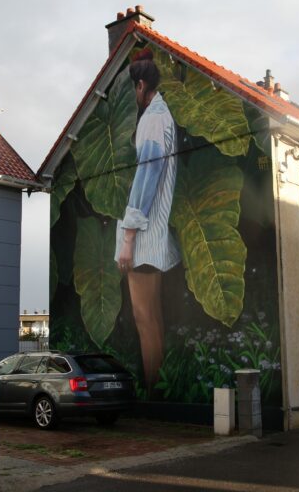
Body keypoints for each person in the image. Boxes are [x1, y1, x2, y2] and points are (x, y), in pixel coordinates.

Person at [114, 49, 180, 393]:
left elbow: (147, 178)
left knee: (144, 318)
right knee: (151, 317)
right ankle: (158, 386)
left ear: (141, 85)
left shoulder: (153, 119)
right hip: (153, 233)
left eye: (131, 90)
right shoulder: (160, 114)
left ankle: (152, 391)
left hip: (144, 237)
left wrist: (128, 239)